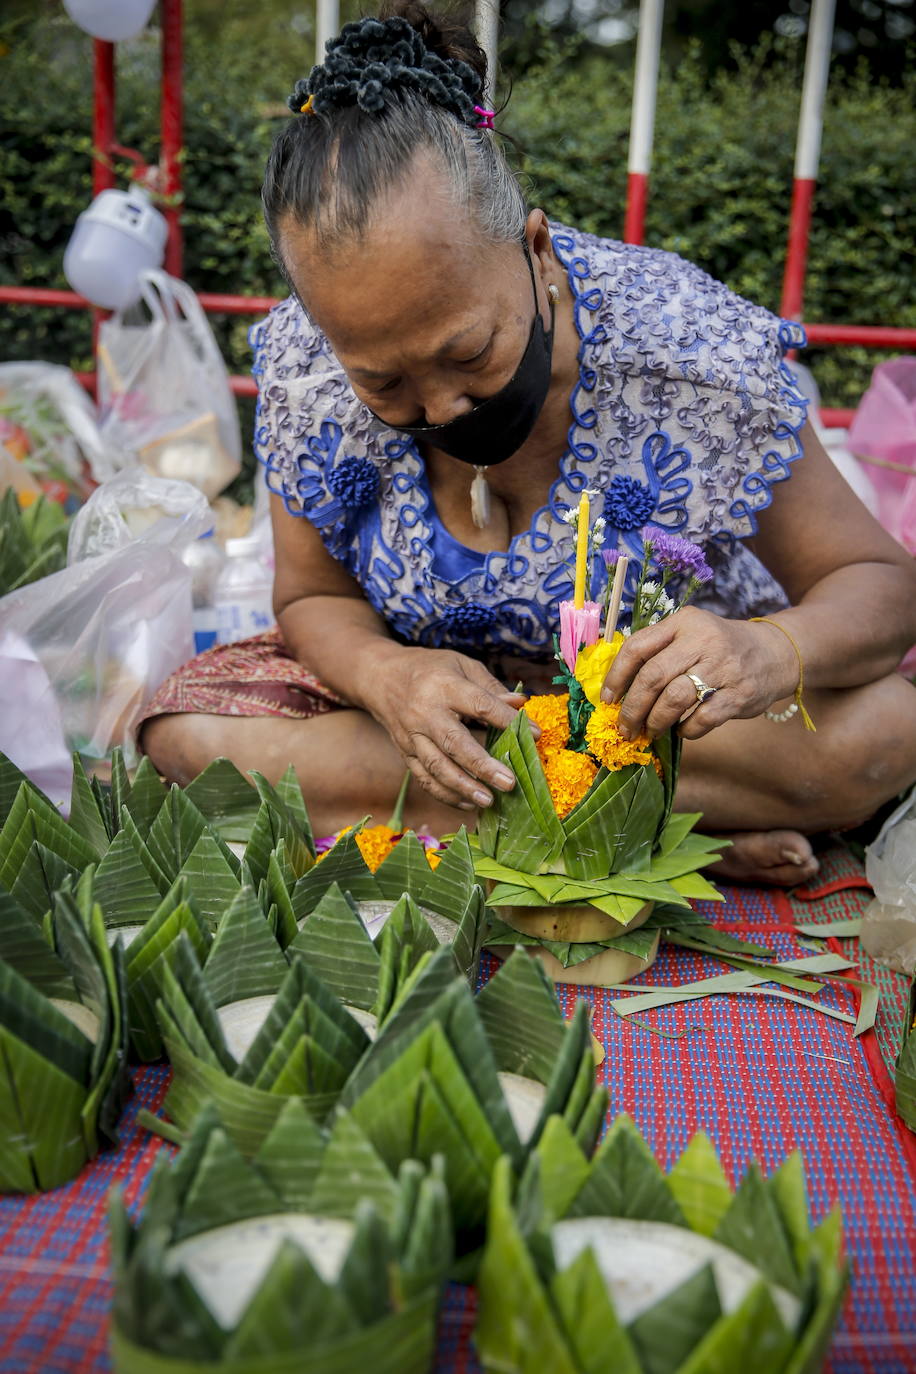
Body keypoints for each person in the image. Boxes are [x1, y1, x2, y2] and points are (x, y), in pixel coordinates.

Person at [142, 1, 916, 887]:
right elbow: (311, 599)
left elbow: (884, 589)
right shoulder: (306, 369)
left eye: (468, 351)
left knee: (878, 740)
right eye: (381, 382)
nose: (439, 408)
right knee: (184, 731)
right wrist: (389, 676)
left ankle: (561, 808)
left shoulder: (686, 354)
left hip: (670, 727)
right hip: (445, 728)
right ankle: (637, 823)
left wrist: (767, 653)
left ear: (537, 250)